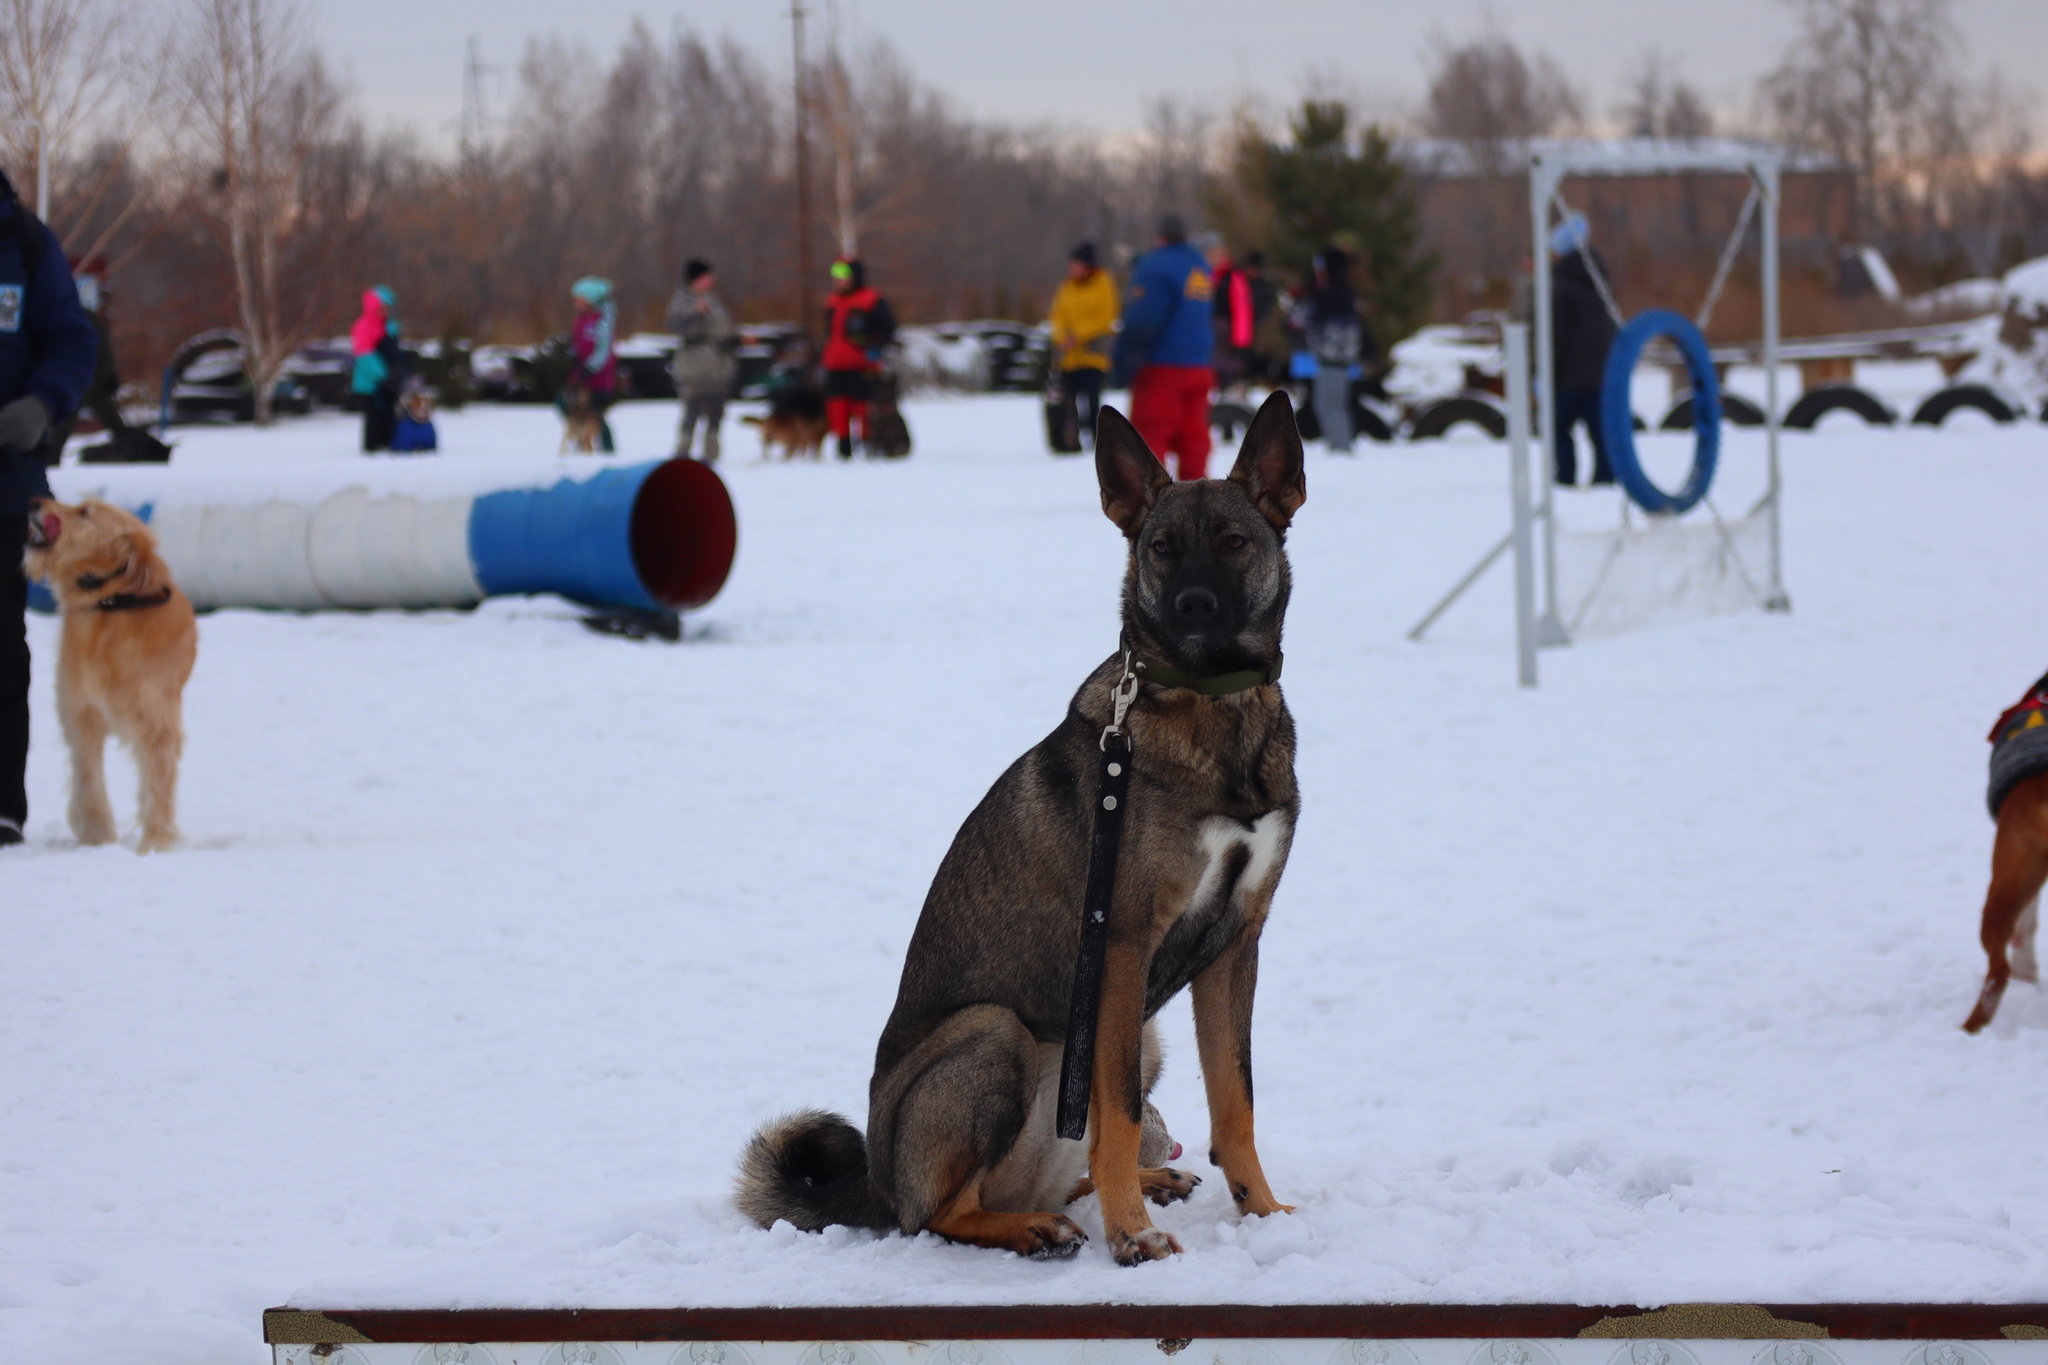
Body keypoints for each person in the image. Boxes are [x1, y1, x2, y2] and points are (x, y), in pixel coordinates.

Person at [0, 167, 98, 848]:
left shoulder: (26, 243)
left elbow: (72, 338)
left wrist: (42, 404)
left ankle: (2, 804)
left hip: (7, 484)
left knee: (3, 646)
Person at [1113, 213, 1215, 480]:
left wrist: (1123, 362)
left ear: (1160, 238)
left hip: (1163, 366)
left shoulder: (1154, 267)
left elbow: (1142, 320)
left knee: (1150, 433)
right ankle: (1197, 493)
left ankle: (1146, 496)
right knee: (1193, 436)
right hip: (1199, 365)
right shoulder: (1200, 265)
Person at [1550, 212, 1618, 486]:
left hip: (1567, 377)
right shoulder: (1601, 282)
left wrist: (1547, 371)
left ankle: (1565, 480)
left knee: (1559, 430)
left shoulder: (1560, 287)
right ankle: (1605, 478)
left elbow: (1558, 335)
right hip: (1600, 373)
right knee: (1600, 433)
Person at [820, 259, 895, 460]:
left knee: (863, 406)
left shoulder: (871, 299)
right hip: (834, 363)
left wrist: (876, 349)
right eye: (836, 277)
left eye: (843, 277)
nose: (838, 281)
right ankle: (843, 445)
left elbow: (888, 328)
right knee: (837, 405)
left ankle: (867, 444)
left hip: (862, 364)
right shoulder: (832, 301)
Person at [1294, 246, 1365, 453]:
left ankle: (1341, 449)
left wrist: (1308, 294)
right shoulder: (1342, 291)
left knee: (1328, 406)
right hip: (1336, 359)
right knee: (1333, 405)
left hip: (1332, 359)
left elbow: (1301, 317)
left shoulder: (1333, 293)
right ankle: (1341, 446)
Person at [1047, 241, 1118, 449]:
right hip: (1069, 358)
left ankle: (1098, 441)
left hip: (1093, 356)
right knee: (1068, 400)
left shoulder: (1103, 283)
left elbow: (1105, 317)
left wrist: (1078, 335)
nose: (1072, 268)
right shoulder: (1066, 287)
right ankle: (1070, 440)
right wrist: (1061, 336)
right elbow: (1056, 315)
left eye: (1076, 263)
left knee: (1092, 400)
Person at [668, 258, 736, 461]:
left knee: (716, 410)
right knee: (692, 409)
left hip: (718, 364)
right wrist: (695, 312)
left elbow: (722, 330)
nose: (711, 279)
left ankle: (711, 453)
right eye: (707, 275)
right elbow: (675, 324)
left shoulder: (713, 300)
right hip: (693, 367)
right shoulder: (682, 300)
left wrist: (737, 339)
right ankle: (683, 452)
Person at [567, 276, 619, 453]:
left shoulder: (603, 320)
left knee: (597, 414)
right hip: (582, 376)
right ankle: (583, 444)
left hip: (599, 377)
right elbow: (578, 344)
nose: (576, 303)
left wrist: (590, 367)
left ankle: (608, 450)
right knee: (572, 409)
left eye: (579, 299)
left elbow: (603, 350)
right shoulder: (581, 319)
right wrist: (574, 359)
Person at [350, 286, 404, 452]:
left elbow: (395, 352)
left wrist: (398, 372)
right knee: (374, 417)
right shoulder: (363, 327)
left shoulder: (391, 326)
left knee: (389, 415)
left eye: (388, 308)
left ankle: (388, 443)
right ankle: (372, 449)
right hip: (371, 383)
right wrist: (383, 375)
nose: (385, 311)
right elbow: (364, 356)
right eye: (382, 307)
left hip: (390, 381)